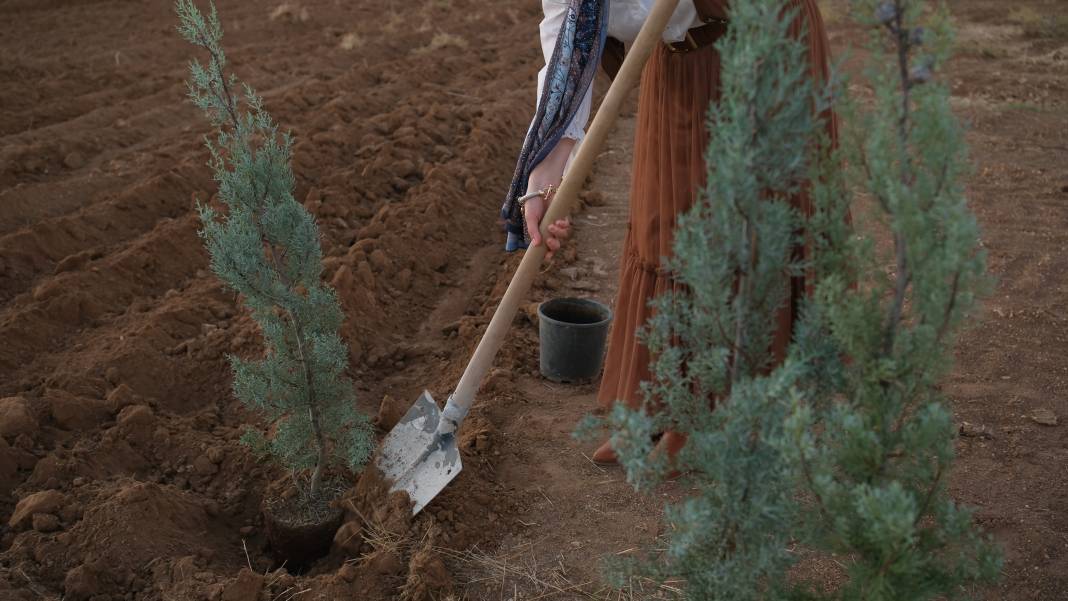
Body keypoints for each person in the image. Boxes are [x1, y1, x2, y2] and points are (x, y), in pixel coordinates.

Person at [503, 0, 836, 464]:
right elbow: (569, 39)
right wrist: (541, 176)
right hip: (678, 57)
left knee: (733, 229)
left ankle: (709, 416)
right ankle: (657, 400)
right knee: (661, 223)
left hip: (756, 43)